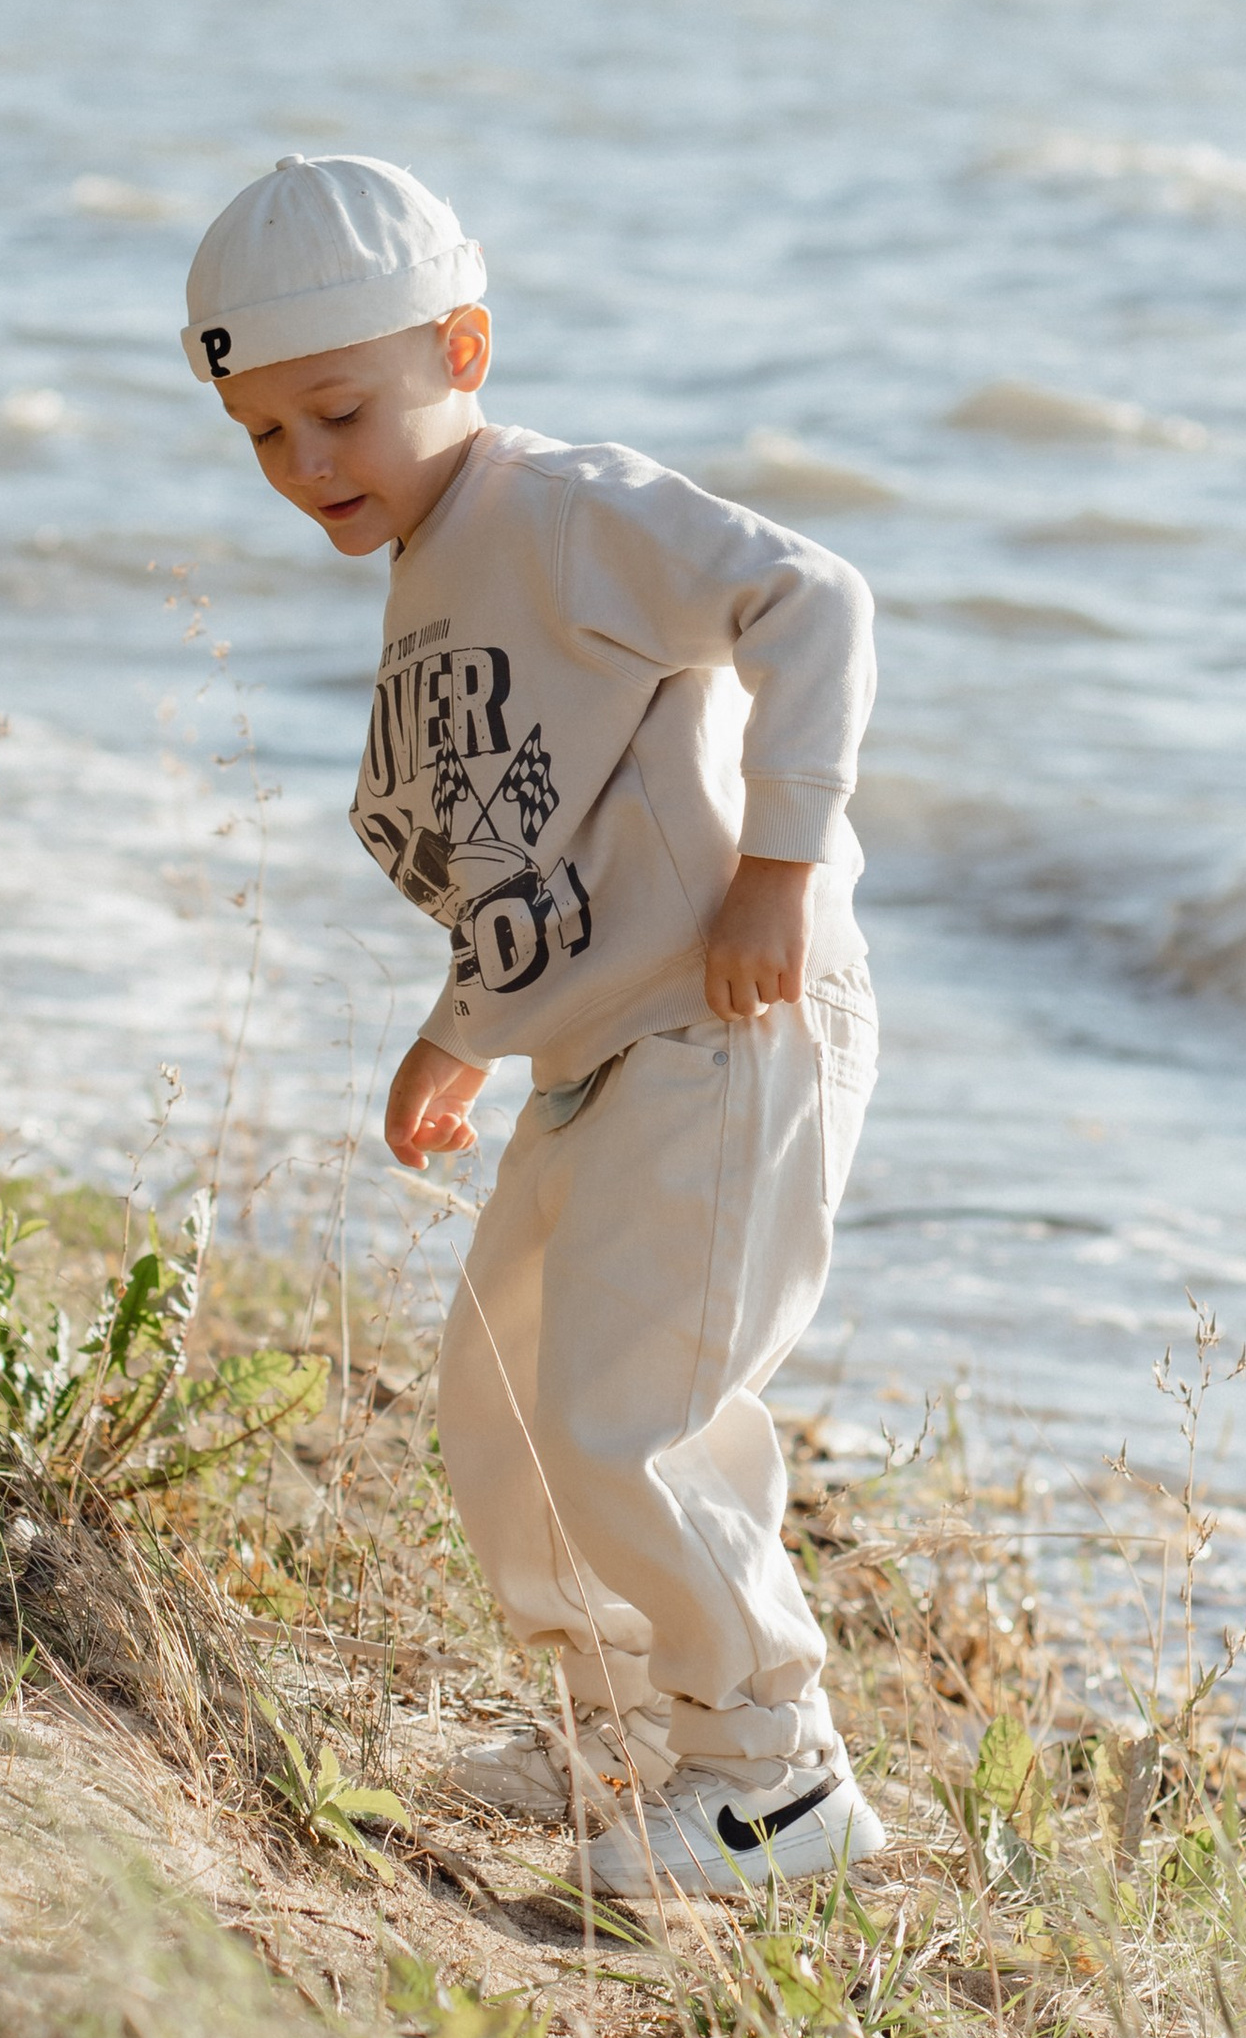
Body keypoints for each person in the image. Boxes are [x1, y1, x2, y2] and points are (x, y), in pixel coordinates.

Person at [182, 153, 883, 1897]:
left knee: (628, 1410)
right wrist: (460, 1028)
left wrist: (779, 867)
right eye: (264, 436)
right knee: (499, 1403)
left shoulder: (567, 510)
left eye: (337, 413)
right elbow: (532, 841)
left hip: (731, 1019)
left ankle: (773, 1778)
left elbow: (819, 601)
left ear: (465, 346)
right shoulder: (432, 561)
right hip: (595, 1046)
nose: (304, 469)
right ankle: (627, 1720)